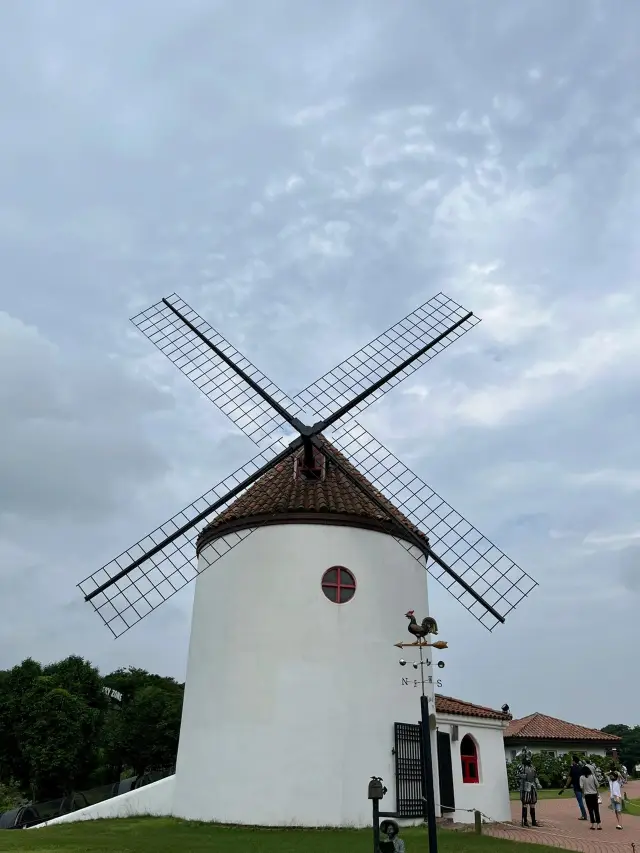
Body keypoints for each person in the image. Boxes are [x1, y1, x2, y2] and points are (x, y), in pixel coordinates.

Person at [559, 755, 588, 820]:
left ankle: (584, 815)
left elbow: (569, 778)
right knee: (583, 801)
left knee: (580, 801)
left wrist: (566, 785)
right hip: (582, 786)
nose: (571, 761)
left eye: (572, 760)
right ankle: (585, 814)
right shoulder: (581, 767)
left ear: (574, 761)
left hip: (576, 787)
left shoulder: (572, 768)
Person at [518, 757, 542, 826]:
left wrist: (538, 783)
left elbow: (535, 776)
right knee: (525, 803)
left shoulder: (533, 768)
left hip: (532, 786)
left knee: (532, 803)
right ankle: (525, 821)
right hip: (525, 786)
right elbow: (518, 775)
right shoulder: (521, 767)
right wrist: (523, 776)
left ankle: (533, 821)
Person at [579, 766, 601, 831]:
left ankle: (593, 824)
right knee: (596, 809)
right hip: (594, 794)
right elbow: (598, 785)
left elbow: (581, 786)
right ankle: (598, 824)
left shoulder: (582, 777)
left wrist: (584, 791)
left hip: (587, 795)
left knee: (590, 810)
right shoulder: (593, 776)